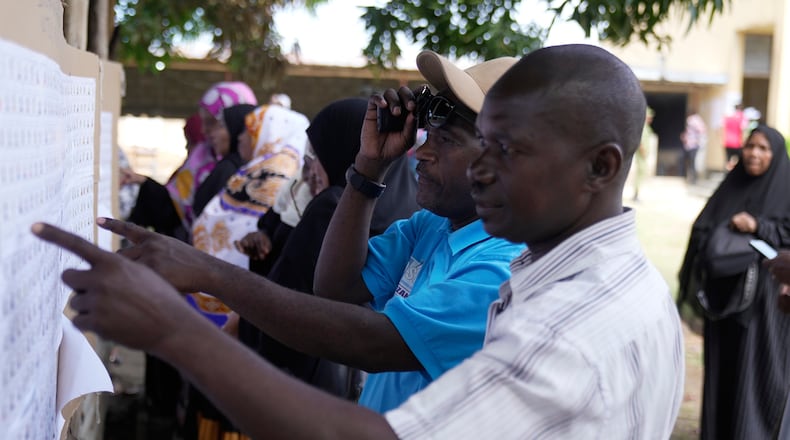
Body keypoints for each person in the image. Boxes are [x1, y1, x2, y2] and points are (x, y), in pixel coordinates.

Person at [34, 43, 684, 438]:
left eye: (504, 148)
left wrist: (175, 324)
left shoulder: (562, 321)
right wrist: (367, 172)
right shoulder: (548, 262)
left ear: (601, 167)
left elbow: (371, 347)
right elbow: (338, 291)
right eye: (479, 142)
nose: (482, 166)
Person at [677, 124, 790, 439]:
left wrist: (758, 226)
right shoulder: (731, 186)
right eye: (750, 146)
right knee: (724, 369)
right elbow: (701, 227)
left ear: (776, 155)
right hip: (724, 301)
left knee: (755, 372)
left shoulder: (785, 190)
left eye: (763, 148)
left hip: (765, 306)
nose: (754, 153)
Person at [124, 82, 258, 242]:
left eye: (215, 123)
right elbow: (173, 210)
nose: (205, 131)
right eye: (204, 122)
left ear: (237, 124)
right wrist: (144, 182)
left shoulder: (243, 169)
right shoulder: (201, 158)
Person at [632, 106, 656, 201]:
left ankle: (637, 194)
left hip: (644, 156)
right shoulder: (642, 127)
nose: (650, 119)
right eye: (649, 117)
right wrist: (643, 152)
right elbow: (640, 142)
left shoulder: (647, 127)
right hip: (641, 155)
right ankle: (636, 195)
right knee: (640, 173)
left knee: (642, 173)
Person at [680, 110, 707, 184]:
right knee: (691, 163)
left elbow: (700, 131)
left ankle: (690, 179)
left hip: (692, 145)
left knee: (689, 162)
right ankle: (692, 179)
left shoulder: (692, 119)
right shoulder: (698, 120)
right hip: (693, 144)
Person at [723, 103, 746, 170]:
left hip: (728, 142)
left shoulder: (729, 117)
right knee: (740, 161)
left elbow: (722, 128)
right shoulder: (742, 117)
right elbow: (743, 130)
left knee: (728, 160)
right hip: (738, 143)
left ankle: (727, 174)